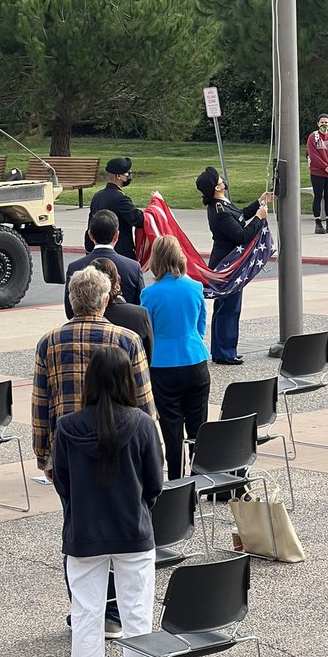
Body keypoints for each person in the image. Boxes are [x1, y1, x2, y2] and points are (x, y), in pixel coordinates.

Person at [32, 265, 157, 638]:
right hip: (125, 442)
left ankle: (85, 609)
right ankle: (114, 612)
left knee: (78, 527)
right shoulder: (126, 340)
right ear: (105, 301)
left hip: (70, 448)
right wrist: (151, 447)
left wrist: (44, 455)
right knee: (123, 525)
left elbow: (41, 403)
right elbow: (144, 401)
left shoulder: (49, 342)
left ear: (72, 301)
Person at [52, 347, 164, 657]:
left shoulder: (66, 427)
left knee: (86, 621)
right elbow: (155, 484)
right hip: (133, 531)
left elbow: (62, 484)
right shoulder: (142, 424)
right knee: (138, 619)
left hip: (84, 535)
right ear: (126, 381)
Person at [140, 235, 211, 479]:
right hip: (195, 359)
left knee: (171, 428)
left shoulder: (149, 295)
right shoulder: (195, 287)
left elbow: (147, 332)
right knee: (198, 425)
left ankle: (176, 481)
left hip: (163, 364)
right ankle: (200, 476)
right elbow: (201, 326)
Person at [195, 166, 272, 366]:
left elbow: (240, 216)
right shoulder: (219, 210)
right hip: (227, 265)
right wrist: (259, 218)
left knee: (226, 307)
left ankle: (224, 350)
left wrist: (259, 202)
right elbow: (241, 236)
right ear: (217, 187)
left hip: (229, 262)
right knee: (229, 308)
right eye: (219, 179)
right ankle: (224, 353)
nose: (223, 179)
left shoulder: (223, 204)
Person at [64, 209, 145, 316]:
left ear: (90, 235)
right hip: (125, 324)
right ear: (116, 236)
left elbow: (70, 311)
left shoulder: (75, 268)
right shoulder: (133, 268)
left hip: (87, 324)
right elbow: (140, 305)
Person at [86, 158, 159, 260]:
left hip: (98, 252)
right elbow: (139, 220)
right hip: (120, 253)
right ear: (119, 176)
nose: (129, 175)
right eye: (127, 173)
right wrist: (155, 203)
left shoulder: (97, 196)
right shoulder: (121, 199)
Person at [91, 256, 153, 364]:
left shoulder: (84, 318)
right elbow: (147, 358)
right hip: (131, 372)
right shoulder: (139, 315)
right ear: (117, 280)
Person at [306, 112, 328, 235]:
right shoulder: (313, 137)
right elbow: (313, 155)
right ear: (318, 123)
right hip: (317, 172)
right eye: (322, 122)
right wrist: (324, 166)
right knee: (318, 196)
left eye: (326, 122)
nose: (324, 125)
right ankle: (318, 223)